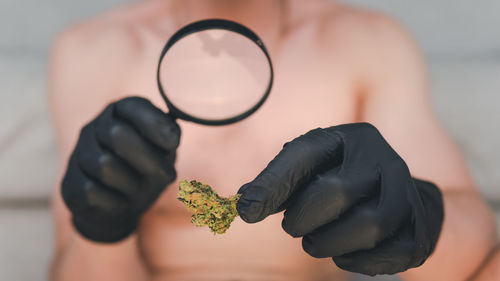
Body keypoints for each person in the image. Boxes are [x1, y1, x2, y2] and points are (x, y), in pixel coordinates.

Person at [48, 0, 499, 280]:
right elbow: (72, 271)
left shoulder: (366, 42)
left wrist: (422, 217)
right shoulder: (92, 52)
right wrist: (101, 230)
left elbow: (475, 257)